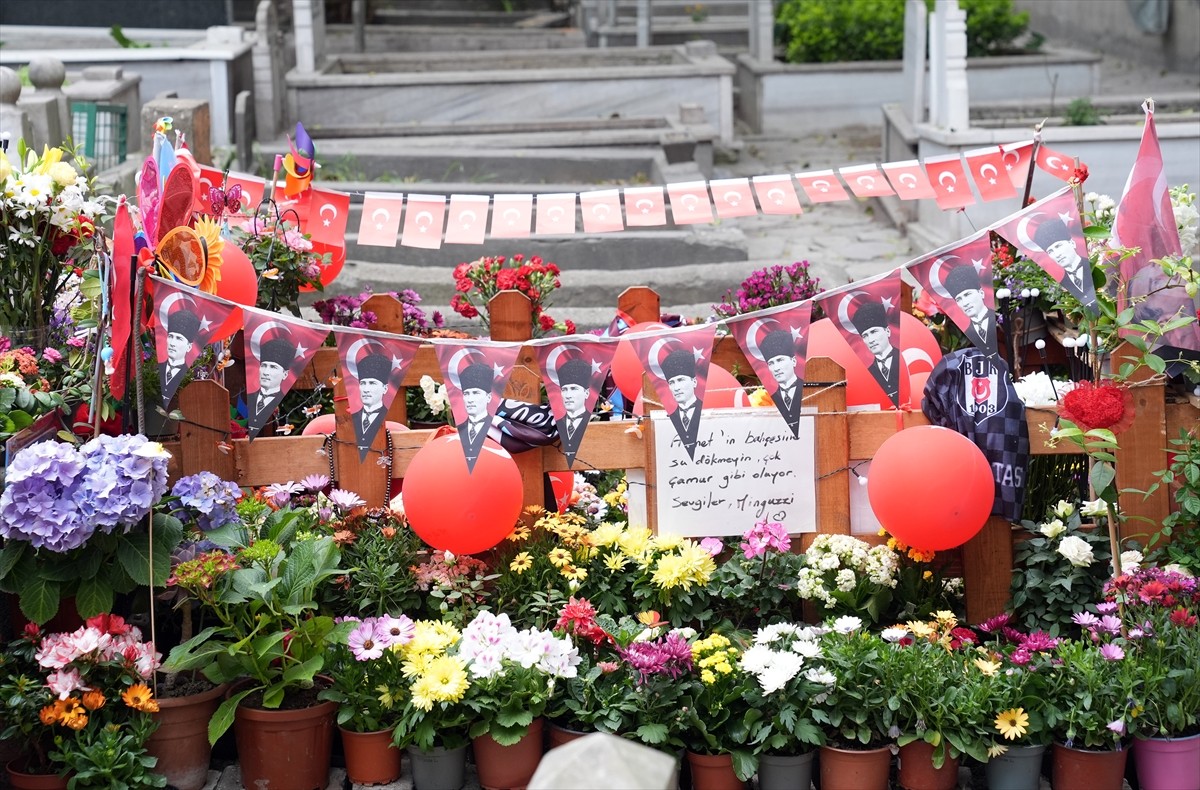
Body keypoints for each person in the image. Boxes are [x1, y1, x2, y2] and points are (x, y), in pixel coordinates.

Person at [1034, 216, 1097, 308]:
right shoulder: (1062, 284)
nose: (1057, 254)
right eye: (1050, 251)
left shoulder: (1095, 266)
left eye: (1058, 246)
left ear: (1072, 243)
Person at [851, 301, 901, 401]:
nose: (871, 340)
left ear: (887, 331)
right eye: (865, 336)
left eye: (874, 332)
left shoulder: (905, 359)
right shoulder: (867, 375)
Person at [943, 264, 996, 355]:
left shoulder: (999, 321)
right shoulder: (967, 334)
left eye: (967, 294)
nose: (965, 303)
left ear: (981, 293)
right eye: (959, 299)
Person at [661, 347, 703, 450]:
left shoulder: (706, 411)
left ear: (694, 382)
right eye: (671, 382)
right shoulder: (666, 419)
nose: (676, 388)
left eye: (681, 380)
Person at [759, 328, 802, 427]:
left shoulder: (809, 391)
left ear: (794, 361)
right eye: (771, 363)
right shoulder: (770, 399)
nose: (776, 368)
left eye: (780, 360)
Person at [249, 336, 295, 421]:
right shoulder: (248, 398)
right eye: (263, 366)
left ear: (285, 374)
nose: (266, 372)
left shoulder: (288, 405)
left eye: (273, 367)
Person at [354, 352, 393, 450]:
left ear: (385, 388)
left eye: (372, 383)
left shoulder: (389, 418)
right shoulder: (351, 419)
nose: (366, 389)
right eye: (363, 383)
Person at [162, 306, 200, 395]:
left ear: (189, 347)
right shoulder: (154, 368)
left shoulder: (192, 376)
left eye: (179, 338)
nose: (172, 343)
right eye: (170, 336)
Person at [556, 357, 592, 446]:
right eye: (564, 389)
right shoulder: (556, 424)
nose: (568, 395)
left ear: (586, 393)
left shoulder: (594, 421)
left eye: (573, 389)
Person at [459, 361, 494, 447]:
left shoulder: (496, 429)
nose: (470, 400)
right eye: (466, 394)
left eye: (475, 393)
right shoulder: (458, 429)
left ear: (488, 397)